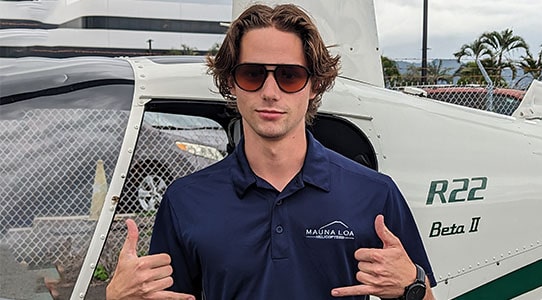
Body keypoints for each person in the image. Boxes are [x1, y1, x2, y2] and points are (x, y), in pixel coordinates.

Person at [106, 3, 436, 300]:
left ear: (315, 85)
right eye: (252, 74)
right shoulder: (185, 201)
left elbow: (422, 294)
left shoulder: (375, 194)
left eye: (289, 76)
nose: (270, 92)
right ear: (231, 83)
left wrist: (414, 285)